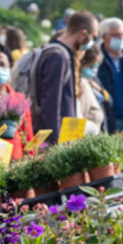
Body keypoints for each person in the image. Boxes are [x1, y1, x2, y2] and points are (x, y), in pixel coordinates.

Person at [30, 10, 98, 145]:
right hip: (55, 139)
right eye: (93, 37)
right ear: (83, 33)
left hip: (64, 134)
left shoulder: (56, 52)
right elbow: (51, 103)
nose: (92, 43)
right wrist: (56, 141)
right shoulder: (58, 56)